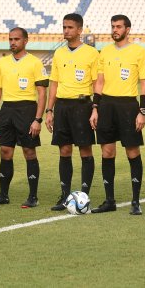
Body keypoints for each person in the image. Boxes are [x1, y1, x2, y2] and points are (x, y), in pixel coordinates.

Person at [91, 15, 145, 215]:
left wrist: (142, 112)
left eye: (118, 27)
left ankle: (135, 201)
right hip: (106, 105)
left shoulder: (138, 51)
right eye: (113, 26)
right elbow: (99, 81)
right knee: (107, 152)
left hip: (128, 106)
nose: (115, 30)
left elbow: (144, 83)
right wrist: (95, 107)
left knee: (132, 152)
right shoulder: (105, 51)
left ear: (128, 29)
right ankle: (109, 200)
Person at [0, 28, 48, 208]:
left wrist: (38, 119)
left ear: (26, 41)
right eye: (10, 39)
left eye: (17, 39)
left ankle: (33, 197)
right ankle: (3, 195)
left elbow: (42, 93)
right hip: (7, 110)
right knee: (5, 151)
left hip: (27, 109)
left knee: (29, 152)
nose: (13, 42)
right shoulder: (2, 63)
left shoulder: (35, 63)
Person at [44, 13, 99, 211]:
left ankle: (84, 194)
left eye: (70, 27)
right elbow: (54, 83)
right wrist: (49, 110)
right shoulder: (59, 53)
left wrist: (95, 108)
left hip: (82, 106)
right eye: (64, 27)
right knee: (64, 150)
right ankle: (65, 195)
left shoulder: (92, 54)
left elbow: (96, 83)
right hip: (62, 107)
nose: (66, 30)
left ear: (79, 30)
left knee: (85, 149)